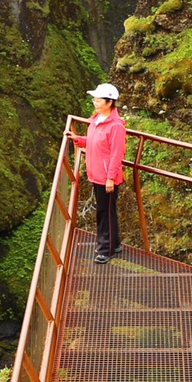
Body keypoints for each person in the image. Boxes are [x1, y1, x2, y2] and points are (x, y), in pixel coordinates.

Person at [69, 83, 127, 263]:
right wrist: (79, 140)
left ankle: (105, 249)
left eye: (98, 99)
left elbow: (117, 154)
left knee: (104, 212)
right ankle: (114, 244)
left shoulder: (115, 126)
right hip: (97, 174)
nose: (94, 102)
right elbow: (95, 141)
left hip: (106, 177)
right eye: (94, 99)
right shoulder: (96, 120)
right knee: (107, 211)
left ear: (109, 102)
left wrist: (110, 178)